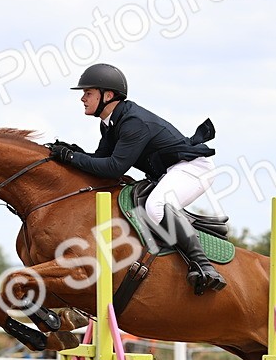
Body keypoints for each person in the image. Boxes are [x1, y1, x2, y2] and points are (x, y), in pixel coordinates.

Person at [48, 63, 226, 294]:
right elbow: (100, 159)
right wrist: (72, 153)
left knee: (156, 206)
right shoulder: (111, 123)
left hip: (194, 169)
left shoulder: (132, 122)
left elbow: (113, 168)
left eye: (88, 93)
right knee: (148, 206)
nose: (82, 98)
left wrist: (72, 157)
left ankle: (204, 267)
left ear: (108, 95)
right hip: (171, 171)